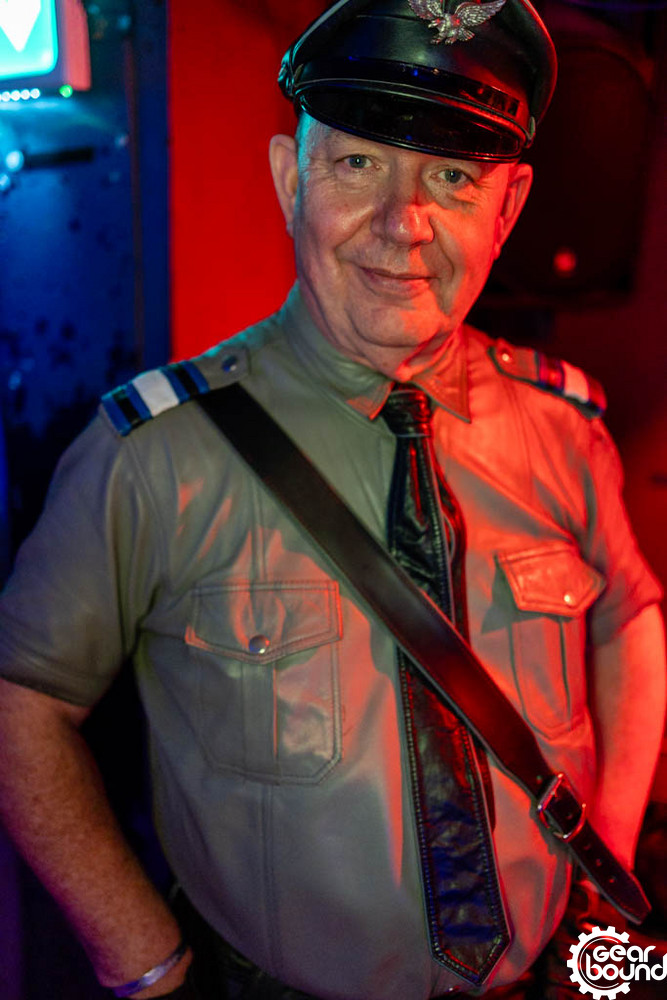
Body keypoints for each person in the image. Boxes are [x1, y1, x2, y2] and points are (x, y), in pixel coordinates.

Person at [0, 1, 664, 998]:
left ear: (509, 207)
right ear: (288, 179)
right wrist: (146, 963)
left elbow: (628, 616)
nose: (403, 223)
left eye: (453, 176)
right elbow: (22, 701)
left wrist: (603, 865)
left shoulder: (563, 429)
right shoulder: (152, 456)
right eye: (356, 163)